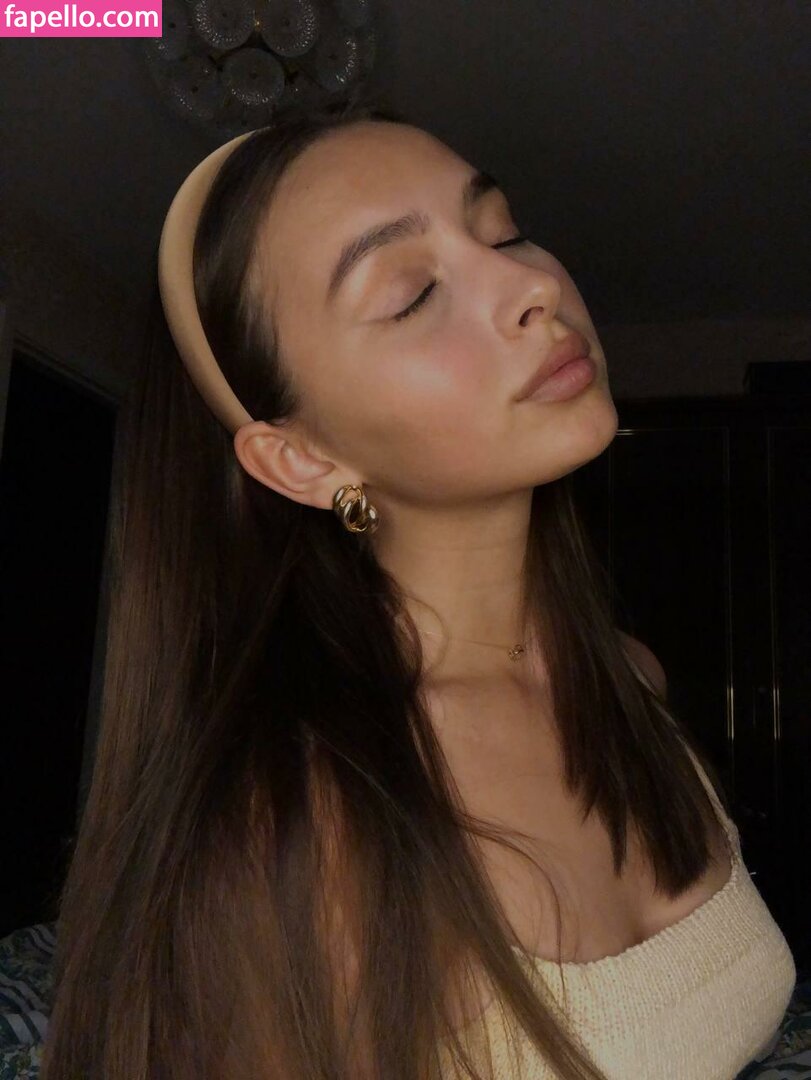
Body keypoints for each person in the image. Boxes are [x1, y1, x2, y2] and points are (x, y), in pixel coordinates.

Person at [39, 95, 795, 1080]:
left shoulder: (628, 680)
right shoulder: (303, 823)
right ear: (302, 460)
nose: (532, 283)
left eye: (503, 230)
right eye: (410, 293)